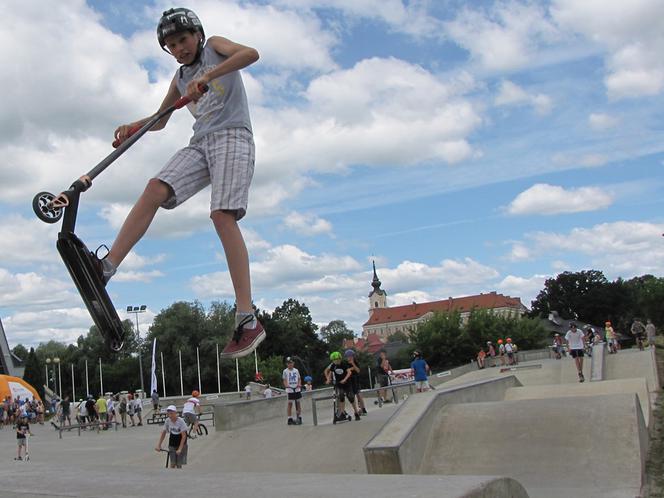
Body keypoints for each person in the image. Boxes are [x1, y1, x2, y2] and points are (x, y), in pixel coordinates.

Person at [93, 7, 264, 360]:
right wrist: (133, 125)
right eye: (171, 45)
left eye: (183, 40)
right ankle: (107, 266)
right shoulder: (180, 78)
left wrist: (211, 74)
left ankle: (247, 318)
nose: (179, 49)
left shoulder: (215, 46)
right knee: (155, 187)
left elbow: (251, 54)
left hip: (232, 135)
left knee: (221, 215)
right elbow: (160, 120)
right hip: (200, 142)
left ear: (197, 35)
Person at [325, 351, 360, 422]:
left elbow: (349, 372)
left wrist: (345, 379)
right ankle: (342, 413)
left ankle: (356, 412)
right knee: (341, 396)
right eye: (334, 360)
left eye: (337, 359)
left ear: (340, 359)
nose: (336, 361)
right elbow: (330, 373)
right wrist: (328, 379)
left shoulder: (344, 364)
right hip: (339, 384)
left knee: (350, 397)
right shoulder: (333, 365)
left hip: (347, 383)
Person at [155, 405, 188, 469]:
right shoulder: (167, 420)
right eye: (168, 414)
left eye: (171, 413)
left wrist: (180, 448)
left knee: (179, 463)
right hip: (172, 440)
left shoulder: (180, 421)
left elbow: (184, 436)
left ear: (175, 413)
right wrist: (159, 445)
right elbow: (164, 432)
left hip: (181, 440)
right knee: (172, 463)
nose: (170, 415)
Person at [344, 349, 367, 415]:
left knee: (359, 394)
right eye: (348, 356)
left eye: (351, 356)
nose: (350, 358)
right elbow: (346, 371)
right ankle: (357, 410)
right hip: (350, 381)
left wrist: (353, 364)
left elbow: (358, 370)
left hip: (356, 380)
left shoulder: (355, 362)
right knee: (353, 395)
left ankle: (363, 409)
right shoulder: (345, 364)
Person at [283, 357, 303, 425]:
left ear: (293, 363)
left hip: (297, 389)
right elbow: (284, 380)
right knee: (290, 404)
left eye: (291, 363)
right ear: (286, 364)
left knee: (298, 403)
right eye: (288, 363)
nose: (290, 364)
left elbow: (299, 379)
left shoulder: (296, 370)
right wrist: (286, 385)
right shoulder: (285, 371)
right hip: (290, 390)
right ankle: (289, 418)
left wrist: (299, 384)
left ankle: (299, 417)